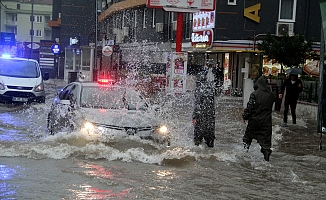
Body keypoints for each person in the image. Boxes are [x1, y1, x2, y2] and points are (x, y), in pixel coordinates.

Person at [243, 75, 276, 161]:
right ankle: (266, 159)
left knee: (247, 138)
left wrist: (245, 116)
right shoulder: (271, 95)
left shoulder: (255, 94)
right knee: (266, 144)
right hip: (266, 123)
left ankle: (244, 154)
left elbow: (250, 107)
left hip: (254, 121)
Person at [192, 66, 216, 147]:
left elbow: (197, 104)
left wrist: (194, 117)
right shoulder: (210, 89)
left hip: (200, 121)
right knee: (210, 145)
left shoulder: (199, 90)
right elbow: (212, 106)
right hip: (210, 121)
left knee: (197, 144)